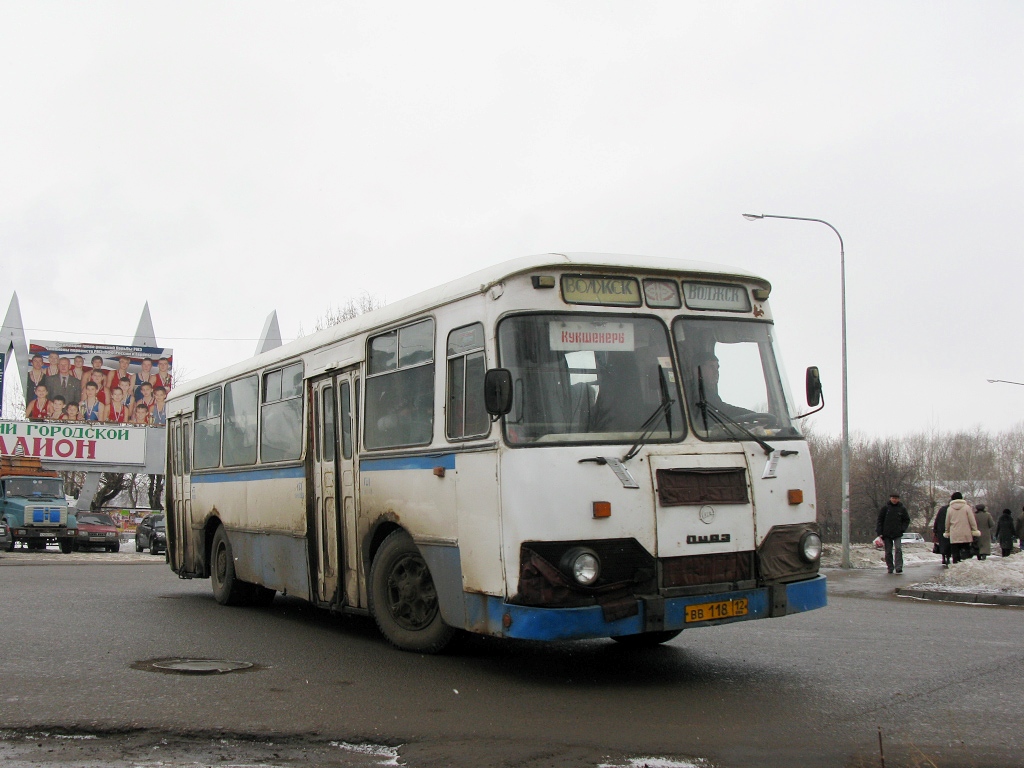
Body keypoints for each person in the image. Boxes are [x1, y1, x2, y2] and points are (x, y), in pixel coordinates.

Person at [876, 492, 910, 574]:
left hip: (897, 533)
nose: (894, 500)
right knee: (888, 551)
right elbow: (880, 520)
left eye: (896, 498)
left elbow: (907, 520)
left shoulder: (902, 509)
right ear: (890, 498)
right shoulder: (885, 508)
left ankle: (898, 567)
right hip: (886, 533)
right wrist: (879, 532)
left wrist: (902, 529)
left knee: (898, 549)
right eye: (893, 498)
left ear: (898, 499)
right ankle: (890, 567)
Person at [943, 492, 979, 564]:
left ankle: (956, 566)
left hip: (954, 534)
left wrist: (947, 531)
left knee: (955, 553)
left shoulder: (949, 509)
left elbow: (947, 522)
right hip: (966, 534)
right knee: (965, 552)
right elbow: (972, 520)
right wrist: (974, 530)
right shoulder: (967, 508)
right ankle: (965, 566)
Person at [933, 500, 952, 567]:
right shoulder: (952, 509)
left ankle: (944, 557)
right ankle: (948, 557)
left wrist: (935, 529)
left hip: (941, 529)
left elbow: (937, 519)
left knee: (943, 544)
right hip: (950, 529)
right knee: (949, 544)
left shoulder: (942, 509)